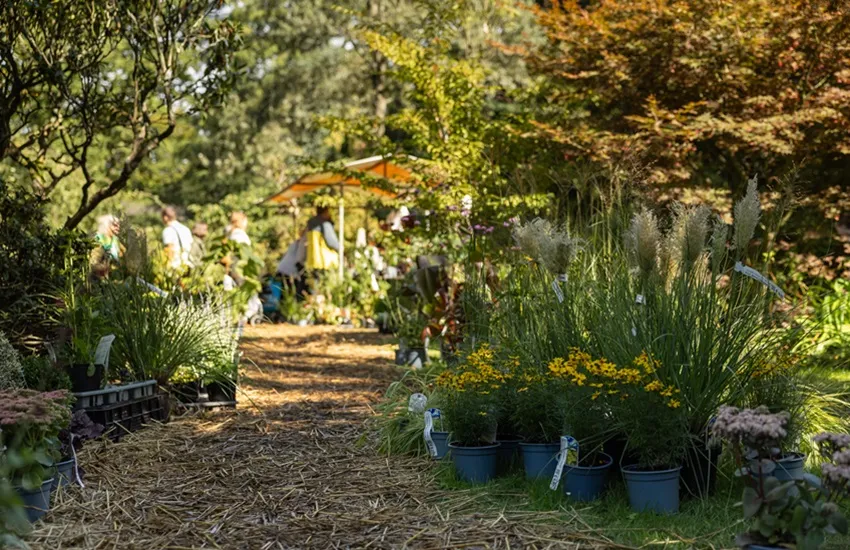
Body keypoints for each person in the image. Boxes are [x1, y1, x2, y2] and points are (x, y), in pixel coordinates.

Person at [304, 206, 340, 272]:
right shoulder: (325, 224)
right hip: (325, 261)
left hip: (313, 260)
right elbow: (332, 242)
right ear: (326, 211)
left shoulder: (310, 224)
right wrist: (341, 248)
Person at [161, 206, 194, 270]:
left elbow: (169, 249)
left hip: (176, 266)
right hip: (188, 265)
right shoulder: (186, 229)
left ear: (165, 217)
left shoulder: (168, 230)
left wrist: (167, 267)